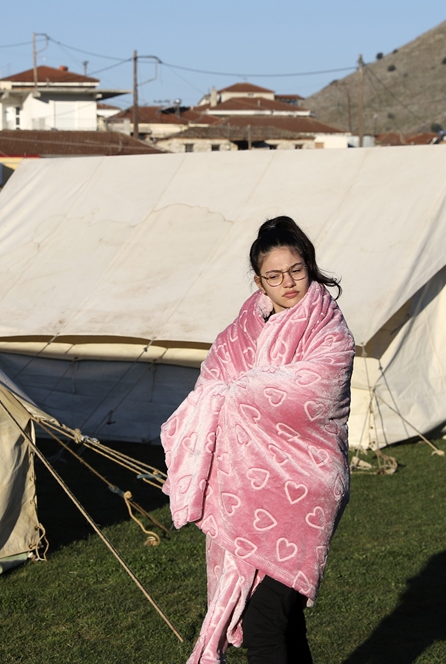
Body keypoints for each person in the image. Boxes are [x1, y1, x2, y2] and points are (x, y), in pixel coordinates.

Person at [162, 216, 355, 664]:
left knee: (265, 619)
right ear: (258, 281)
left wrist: (236, 391)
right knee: (283, 621)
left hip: (306, 487)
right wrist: (234, 391)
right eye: (274, 275)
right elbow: (211, 380)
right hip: (247, 488)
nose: (287, 282)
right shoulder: (242, 329)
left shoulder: (330, 330)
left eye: (296, 270)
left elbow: (310, 392)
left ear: (309, 266)